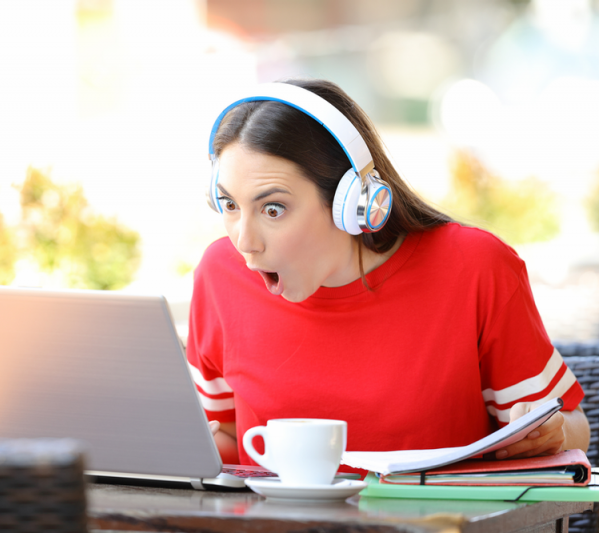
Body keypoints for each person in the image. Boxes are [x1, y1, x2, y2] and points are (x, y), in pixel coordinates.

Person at [185, 78, 590, 471]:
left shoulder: (474, 267)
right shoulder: (220, 275)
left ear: (354, 202)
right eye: (229, 205)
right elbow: (223, 439)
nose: (245, 241)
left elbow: (575, 430)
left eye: (273, 209)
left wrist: (551, 434)